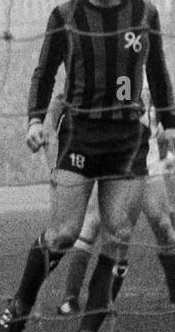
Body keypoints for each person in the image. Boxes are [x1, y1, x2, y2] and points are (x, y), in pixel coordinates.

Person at [0, 0, 175, 332]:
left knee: (119, 233)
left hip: (128, 140)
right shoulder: (64, 16)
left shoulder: (143, 14)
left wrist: (170, 125)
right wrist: (36, 121)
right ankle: (20, 304)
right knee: (64, 232)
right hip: (79, 135)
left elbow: (160, 74)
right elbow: (43, 75)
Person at [49, 87, 175, 314]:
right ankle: (70, 298)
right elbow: (63, 100)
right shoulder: (107, 63)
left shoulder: (151, 70)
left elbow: (164, 109)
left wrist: (167, 140)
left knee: (162, 224)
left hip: (148, 158)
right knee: (93, 222)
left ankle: (110, 301)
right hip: (115, 154)